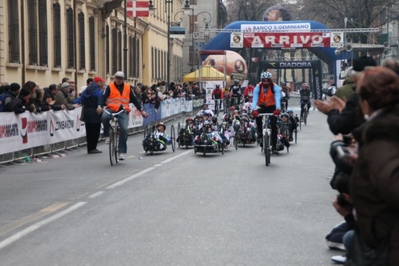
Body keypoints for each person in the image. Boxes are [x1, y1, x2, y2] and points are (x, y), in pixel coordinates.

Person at [346, 66, 399, 265]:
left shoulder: (380, 138)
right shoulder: (385, 128)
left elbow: (392, 184)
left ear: (366, 102)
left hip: (385, 245)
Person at [97, 71, 148, 160]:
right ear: (114, 78)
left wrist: (141, 111)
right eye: (117, 78)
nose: (118, 80)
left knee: (124, 129)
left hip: (123, 110)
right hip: (111, 108)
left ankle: (121, 151)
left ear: (123, 79)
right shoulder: (109, 86)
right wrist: (99, 106)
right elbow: (103, 97)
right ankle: (107, 135)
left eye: (120, 78)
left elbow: (135, 100)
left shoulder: (128, 87)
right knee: (104, 117)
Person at [251, 71, 281, 154]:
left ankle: (274, 146)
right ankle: (260, 133)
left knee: (274, 125)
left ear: (270, 80)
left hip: (272, 106)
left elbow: (278, 98)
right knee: (257, 116)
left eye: (267, 80)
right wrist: (253, 109)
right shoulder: (258, 87)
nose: (265, 82)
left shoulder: (275, 87)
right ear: (262, 80)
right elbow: (255, 99)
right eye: (264, 80)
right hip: (261, 106)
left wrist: (278, 109)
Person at [81, 76, 104, 154]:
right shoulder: (98, 91)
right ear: (98, 82)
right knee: (96, 130)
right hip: (95, 112)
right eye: (101, 82)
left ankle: (89, 148)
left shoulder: (87, 89)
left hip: (87, 111)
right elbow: (100, 100)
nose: (102, 83)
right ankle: (93, 147)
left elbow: (81, 99)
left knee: (89, 131)